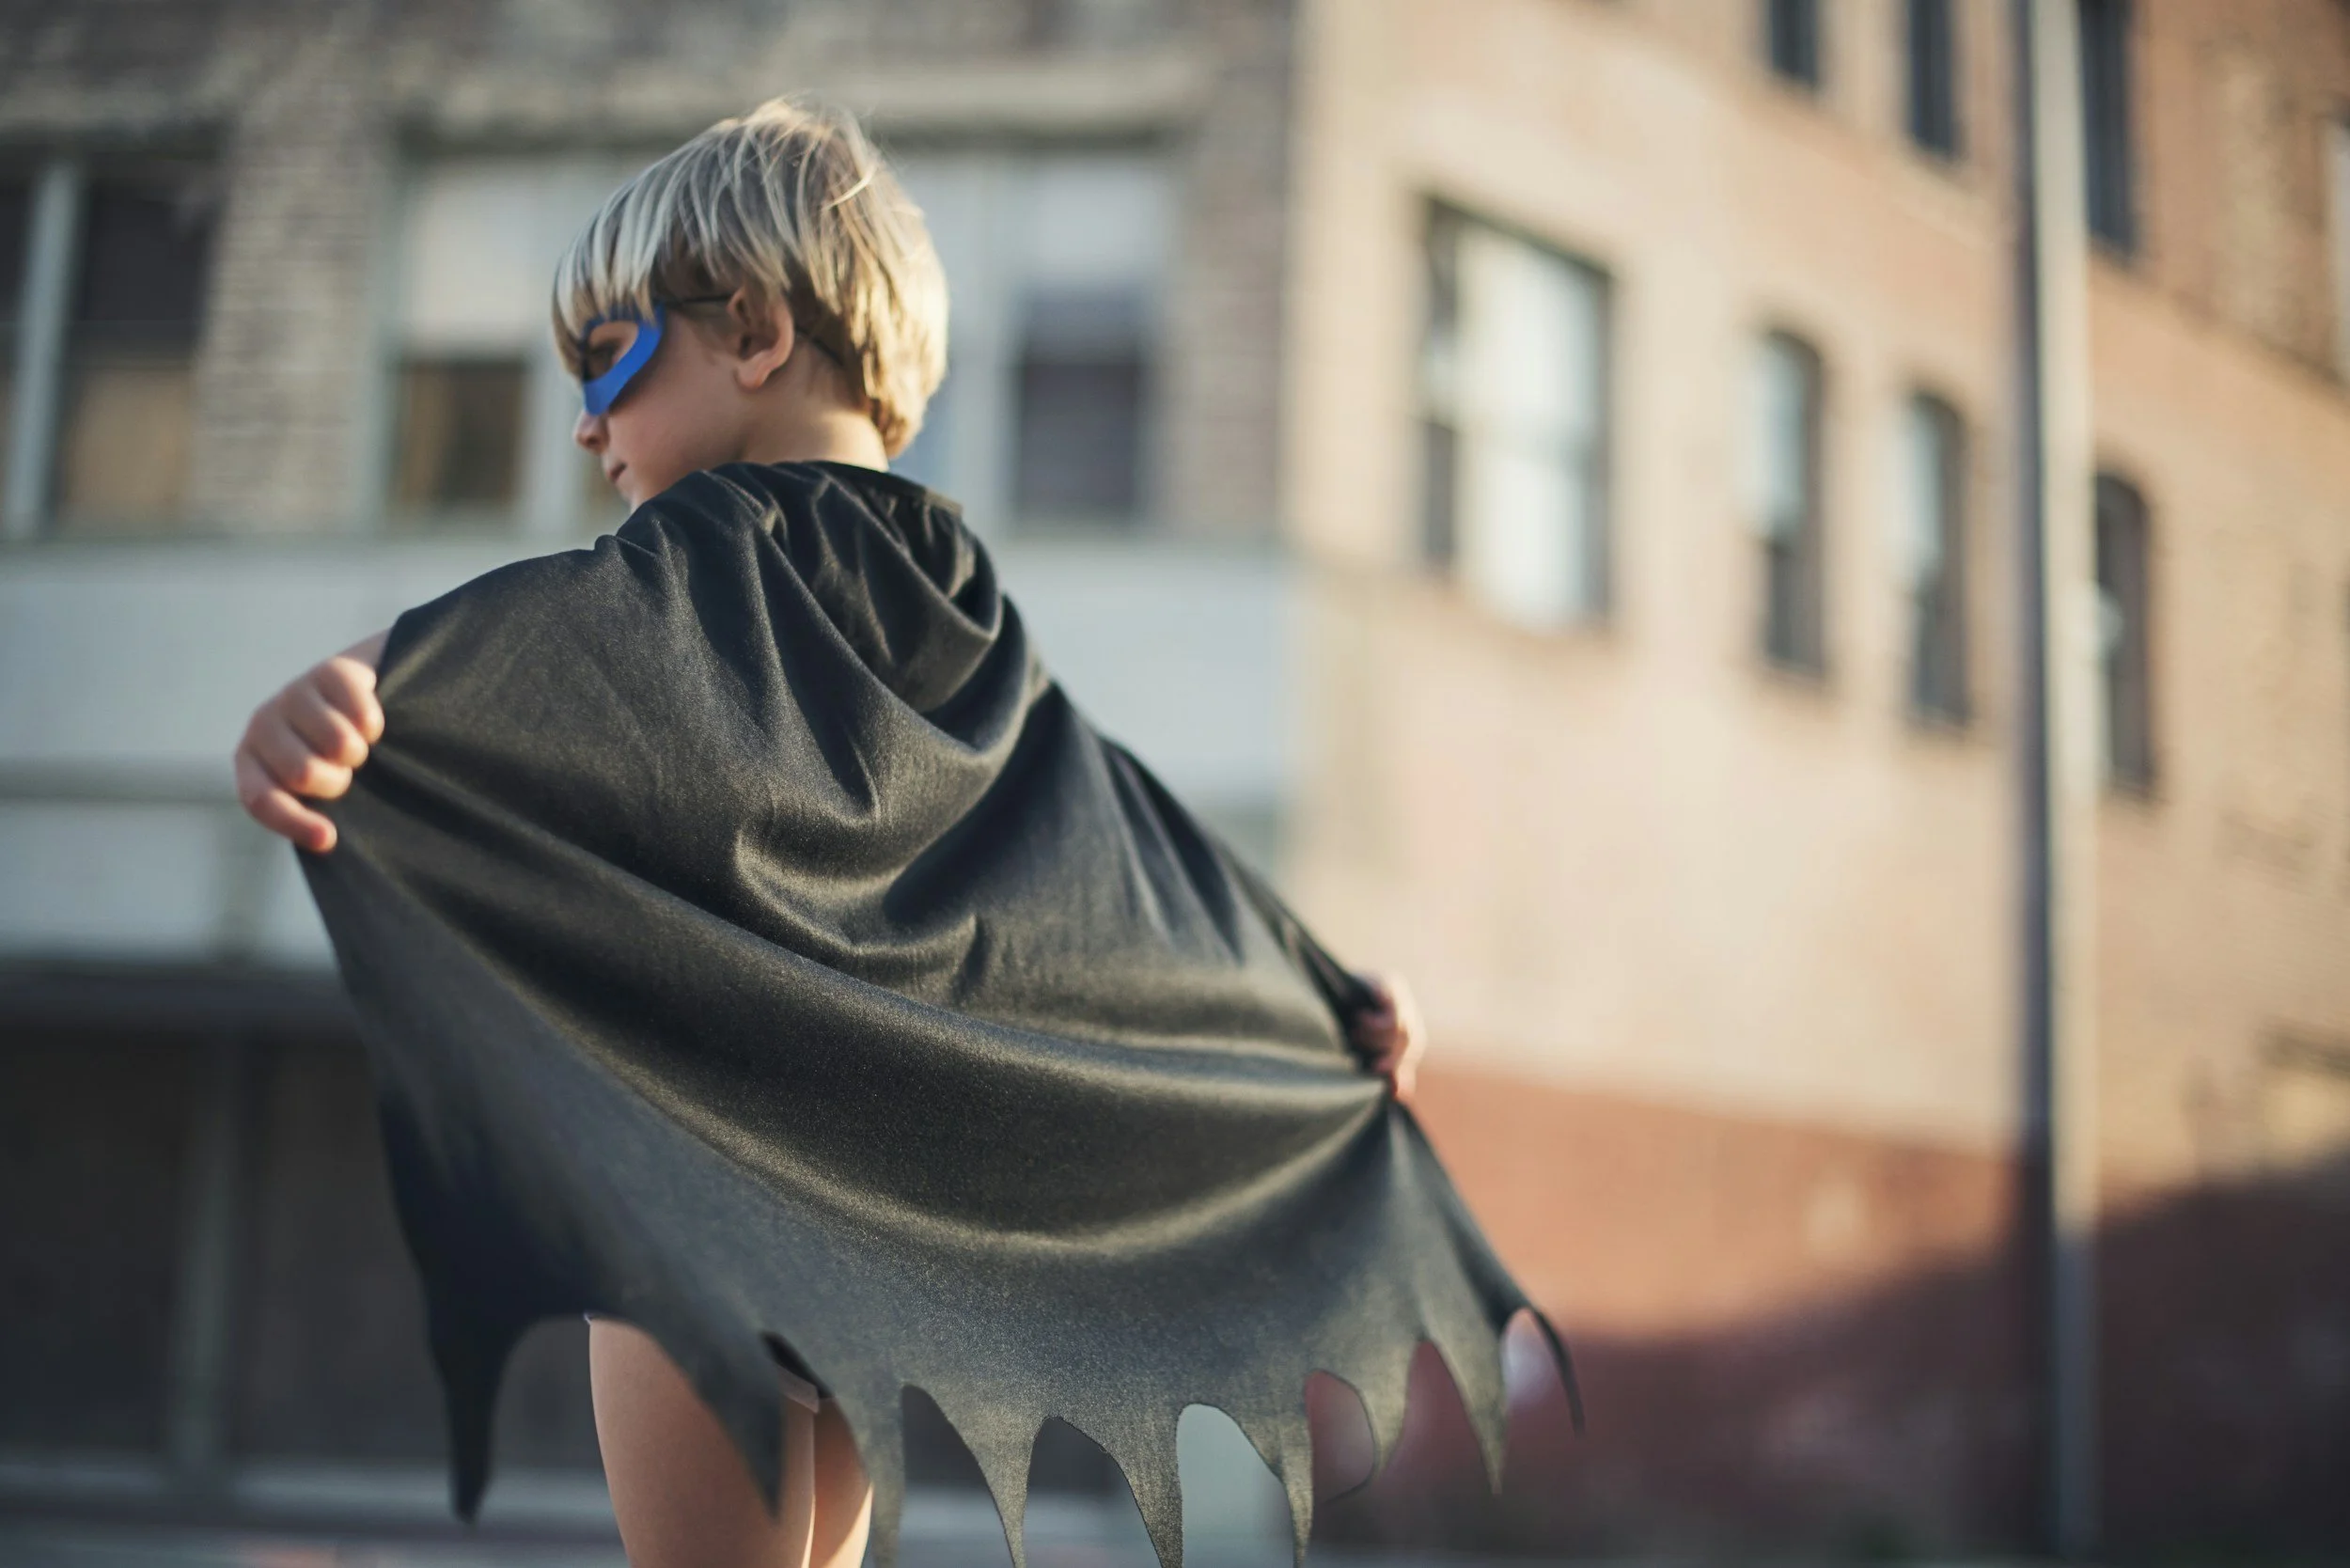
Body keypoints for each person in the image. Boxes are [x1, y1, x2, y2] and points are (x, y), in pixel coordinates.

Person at [233, 98, 1428, 1568]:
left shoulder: (703, 545)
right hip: (865, 1233)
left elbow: (528, 632)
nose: (586, 422)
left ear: (749, 331)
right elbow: (1102, 828)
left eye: (608, 357)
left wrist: (362, 683)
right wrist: (1310, 986)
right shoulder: (951, 577)